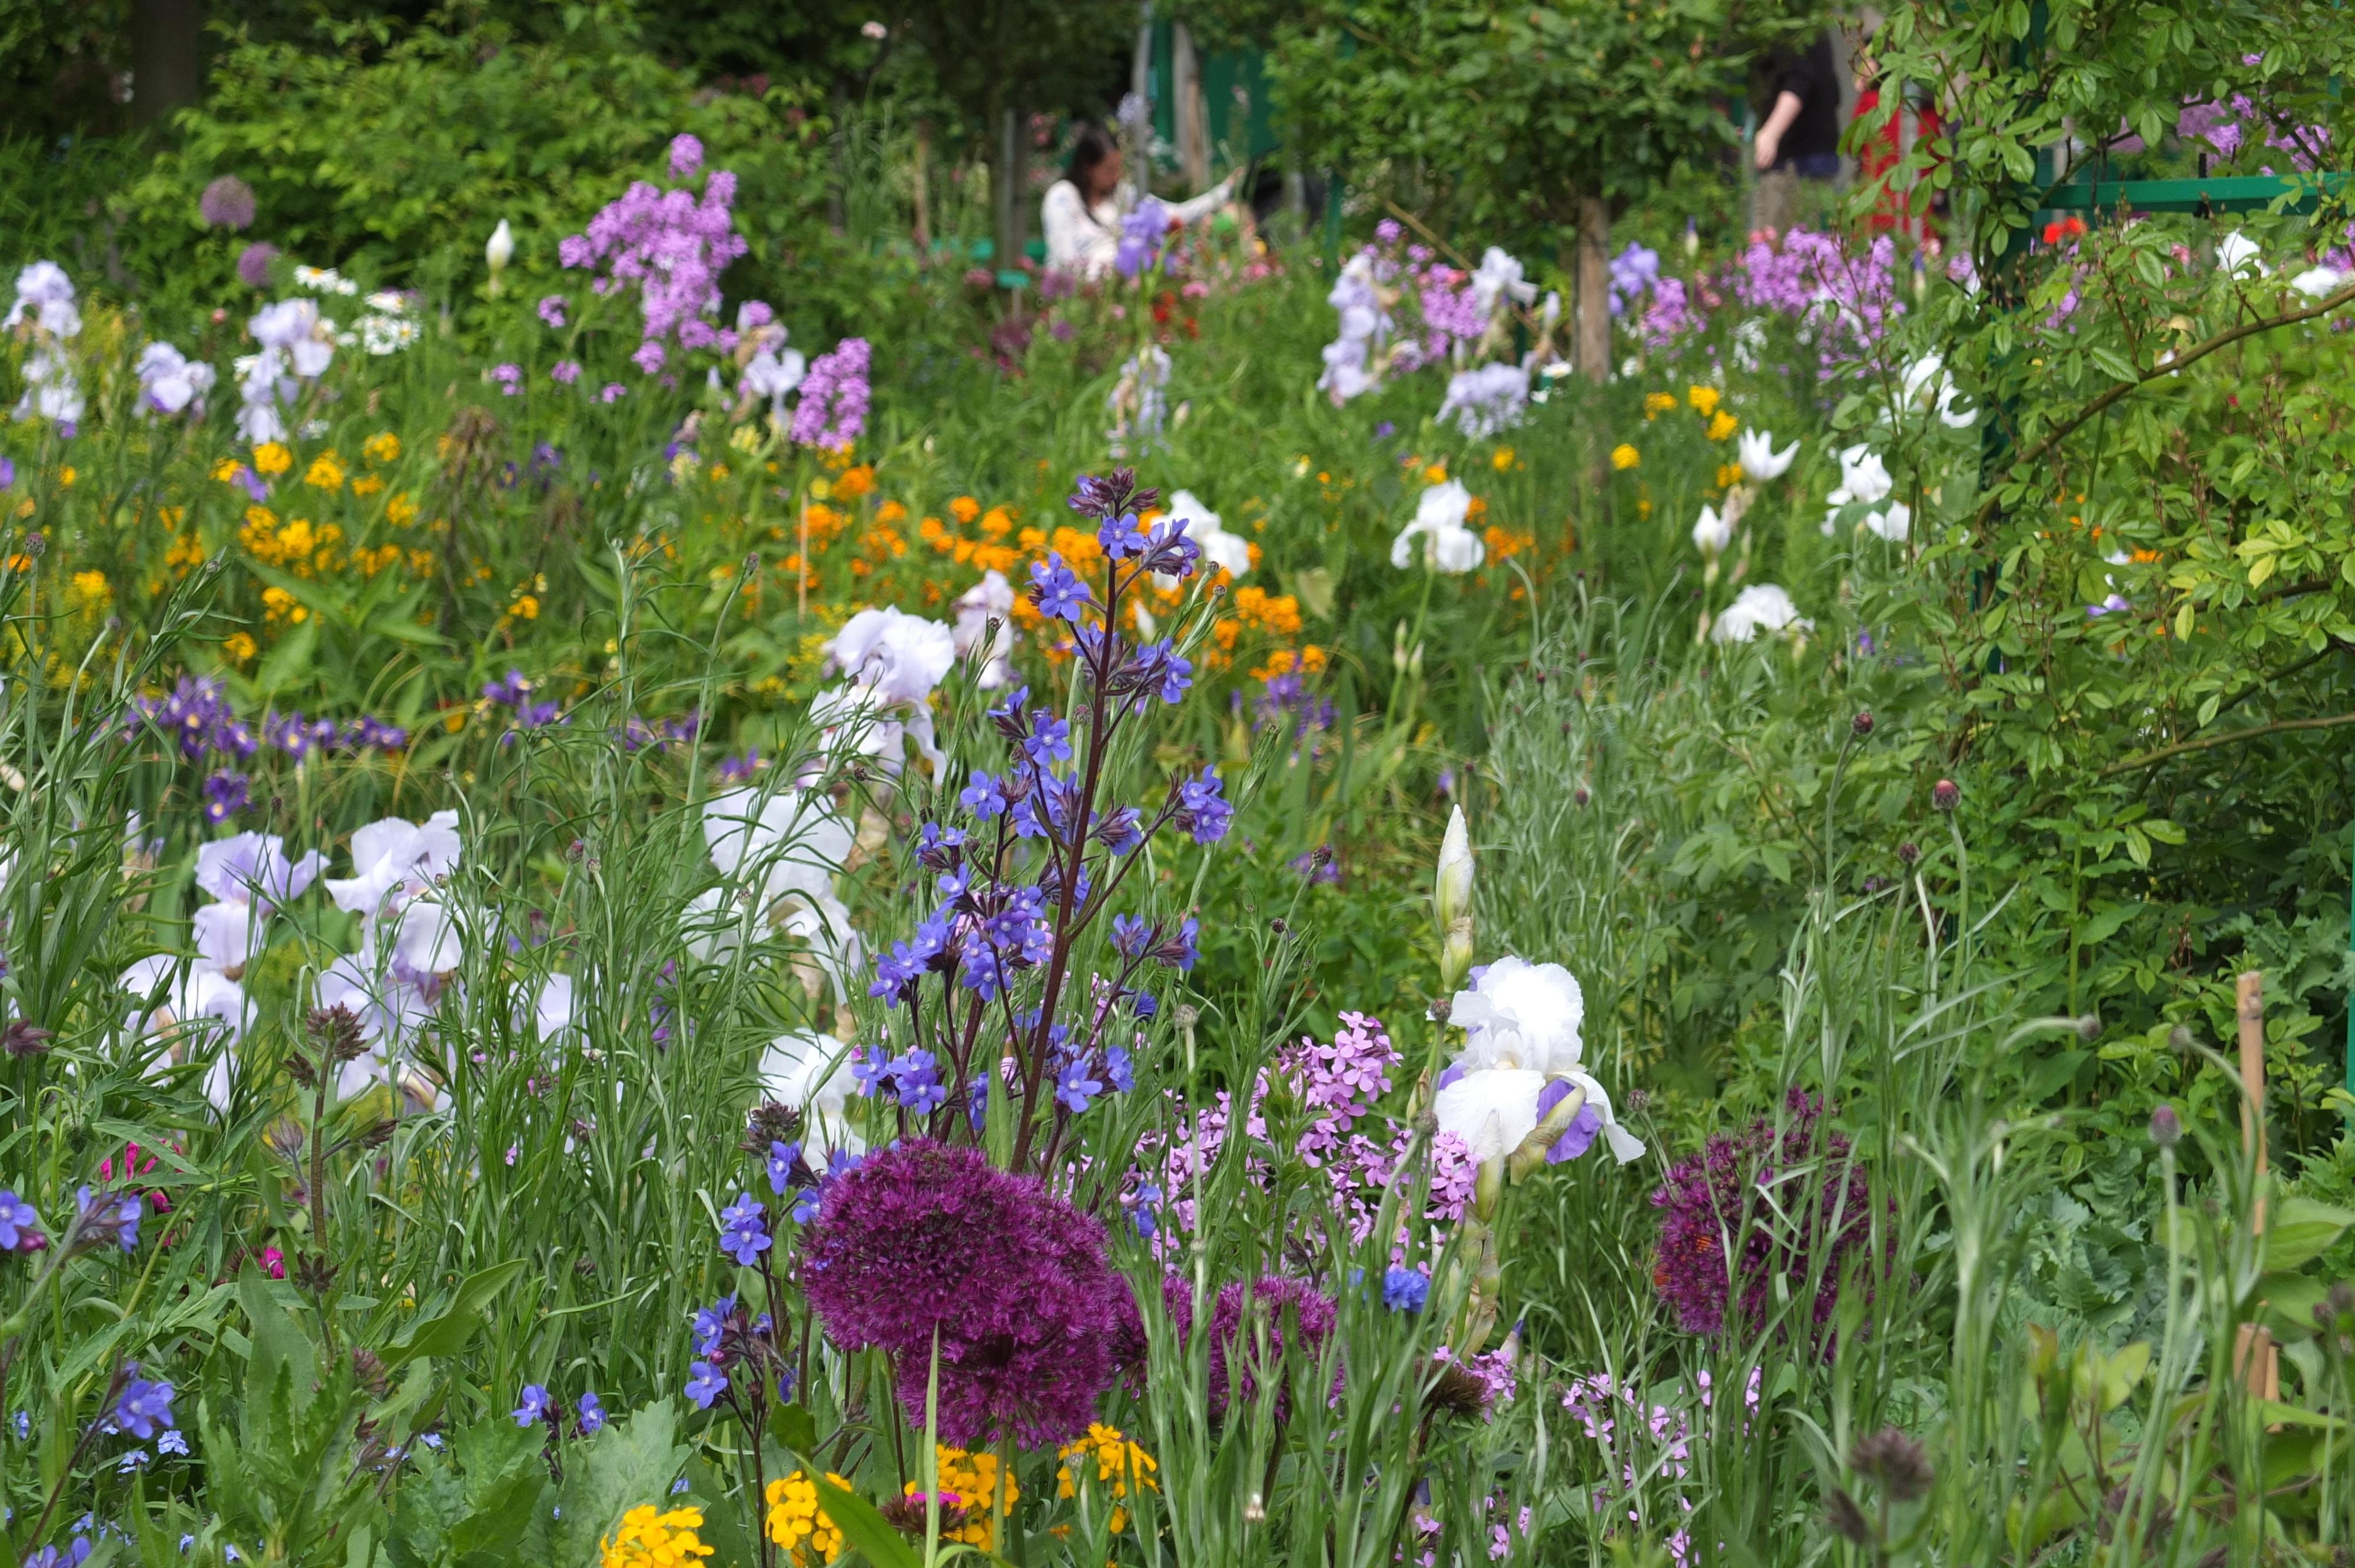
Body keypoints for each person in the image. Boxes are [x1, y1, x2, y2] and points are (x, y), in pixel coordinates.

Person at [1041, 122, 1235, 278]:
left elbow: (1174, 214)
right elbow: (1065, 263)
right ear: (1087, 168)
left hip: (1118, 290)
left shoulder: (1123, 195)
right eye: (1110, 170)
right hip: (1077, 297)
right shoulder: (1062, 197)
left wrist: (1224, 191)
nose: (1117, 176)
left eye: (1119, 168)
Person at [1750, 32, 1845, 241]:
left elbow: (1801, 78)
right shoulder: (1813, 24)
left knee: (1777, 246)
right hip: (1812, 153)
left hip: (1796, 160)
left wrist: (1771, 134)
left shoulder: (1798, 21)